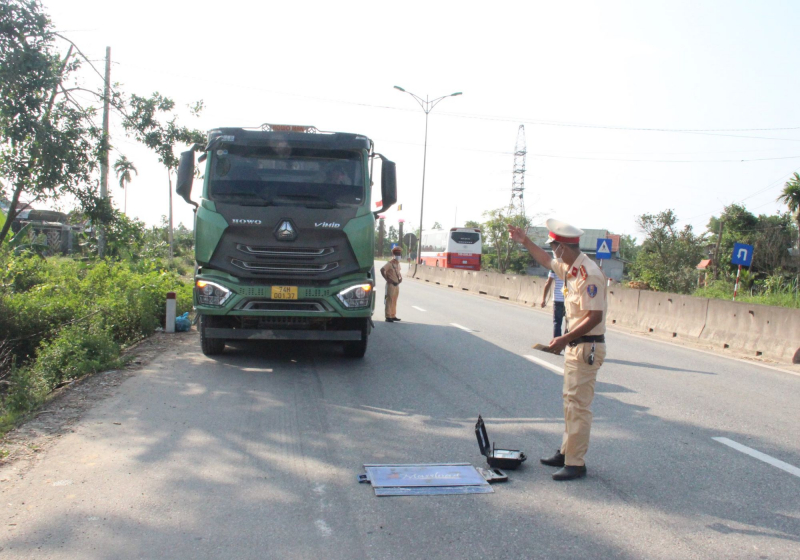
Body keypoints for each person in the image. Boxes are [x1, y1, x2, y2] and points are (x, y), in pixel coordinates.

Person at [508, 219, 608, 481]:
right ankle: (567, 452)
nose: (553, 251)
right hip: (577, 346)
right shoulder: (572, 269)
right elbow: (545, 261)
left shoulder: (589, 274)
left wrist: (564, 338)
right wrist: (525, 241)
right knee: (570, 404)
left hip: (586, 346)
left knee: (578, 407)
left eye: (554, 246)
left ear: (562, 247)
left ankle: (576, 463)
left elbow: (594, 316)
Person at [541, 270, 566, 339]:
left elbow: (548, 283)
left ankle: (557, 343)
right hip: (569, 299)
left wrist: (543, 299)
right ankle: (568, 344)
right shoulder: (570, 264)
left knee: (557, 323)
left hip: (558, 299)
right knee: (570, 323)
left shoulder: (554, 267)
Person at [381, 247, 403, 322]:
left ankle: (393, 315)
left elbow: (398, 272)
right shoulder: (389, 263)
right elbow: (382, 270)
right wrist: (387, 279)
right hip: (391, 285)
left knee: (394, 300)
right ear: (394, 254)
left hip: (396, 285)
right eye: (397, 254)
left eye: (399, 254)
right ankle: (388, 316)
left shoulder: (398, 264)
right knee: (389, 300)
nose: (398, 255)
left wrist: (400, 278)